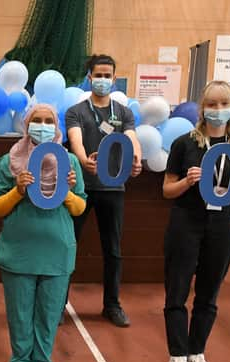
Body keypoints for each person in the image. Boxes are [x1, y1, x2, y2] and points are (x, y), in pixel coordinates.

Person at [0, 104, 86, 362]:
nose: (42, 126)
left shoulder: (70, 163)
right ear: (26, 125)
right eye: (36, 120)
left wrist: (66, 192)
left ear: (56, 127)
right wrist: (18, 190)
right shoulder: (9, 163)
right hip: (19, 252)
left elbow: (80, 207)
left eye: (48, 121)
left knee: (48, 313)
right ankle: (20, 361)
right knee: (19, 313)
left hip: (57, 253)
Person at [162, 81, 230, 362]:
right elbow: (167, 191)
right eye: (212, 105)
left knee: (209, 293)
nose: (217, 110)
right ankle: (176, 354)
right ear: (202, 108)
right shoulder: (184, 144)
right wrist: (187, 182)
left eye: (223, 104)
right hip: (186, 222)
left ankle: (196, 352)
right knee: (177, 289)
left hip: (222, 224)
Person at [65, 54, 142, 327]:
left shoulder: (123, 112)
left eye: (107, 75)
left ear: (114, 77)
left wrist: (136, 158)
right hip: (81, 189)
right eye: (98, 75)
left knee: (113, 250)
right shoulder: (76, 110)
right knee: (68, 246)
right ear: (89, 78)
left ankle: (112, 305)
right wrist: (84, 159)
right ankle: (59, 303)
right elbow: (74, 138)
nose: (102, 80)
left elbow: (132, 137)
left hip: (114, 188)